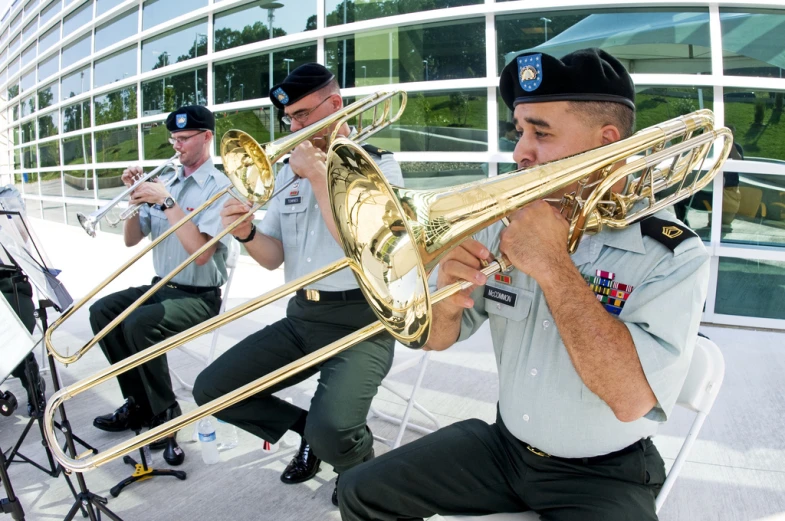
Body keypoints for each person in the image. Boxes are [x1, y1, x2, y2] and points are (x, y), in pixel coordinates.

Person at [339, 48, 711, 521]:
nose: (520, 152)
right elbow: (435, 338)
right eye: (520, 132)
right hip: (503, 448)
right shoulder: (504, 224)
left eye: (542, 132)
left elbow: (630, 398)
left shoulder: (672, 254)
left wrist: (555, 266)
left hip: (602, 475)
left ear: (607, 142)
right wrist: (447, 302)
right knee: (359, 490)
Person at [193, 63, 403, 506]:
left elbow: (364, 248)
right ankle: (308, 430)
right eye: (291, 119)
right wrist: (246, 232)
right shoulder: (289, 174)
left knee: (336, 433)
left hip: (362, 322)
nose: (297, 127)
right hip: (302, 317)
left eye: (305, 115)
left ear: (336, 105)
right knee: (212, 390)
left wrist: (319, 176)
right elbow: (273, 260)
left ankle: (359, 474)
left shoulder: (380, 165)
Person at [89, 106, 232, 466]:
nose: (177, 146)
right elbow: (131, 239)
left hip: (199, 295)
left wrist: (166, 201)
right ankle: (139, 403)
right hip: (162, 286)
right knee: (102, 312)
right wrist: (135, 198)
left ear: (206, 137)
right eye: (174, 139)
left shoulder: (220, 186)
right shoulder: (166, 180)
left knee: (139, 324)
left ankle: (166, 414)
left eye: (184, 139)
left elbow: (200, 254)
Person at [0, 185, 45, 417]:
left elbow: (18, 240)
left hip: (11, 286)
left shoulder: (7, 195)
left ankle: (33, 382)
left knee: (10, 337)